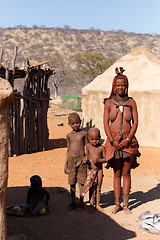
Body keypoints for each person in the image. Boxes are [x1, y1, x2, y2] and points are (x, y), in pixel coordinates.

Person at [103, 67, 141, 214]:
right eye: (118, 85)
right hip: (113, 142)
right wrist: (112, 141)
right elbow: (106, 123)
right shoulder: (109, 103)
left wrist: (128, 139)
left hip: (128, 142)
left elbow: (135, 122)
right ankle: (117, 203)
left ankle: (126, 205)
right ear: (114, 86)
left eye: (123, 85)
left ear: (127, 86)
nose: (120, 88)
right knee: (117, 172)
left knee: (126, 172)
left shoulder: (131, 102)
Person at [64, 112, 88, 210]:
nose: (75, 125)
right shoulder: (68, 136)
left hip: (82, 161)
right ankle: (73, 201)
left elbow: (87, 146)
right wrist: (65, 164)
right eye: (73, 123)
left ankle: (81, 202)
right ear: (69, 124)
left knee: (81, 182)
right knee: (72, 182)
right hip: (71, 161)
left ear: (80, 122)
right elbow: (68, 150)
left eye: (77, 122)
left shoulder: (84, 134)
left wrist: (87, 157)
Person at [82, 127, 106, 211]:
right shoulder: (88, 146)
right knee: (91, 187)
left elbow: (105, 159)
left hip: (99, 170)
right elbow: (87, 156)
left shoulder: (102, 148)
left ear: (100, 137)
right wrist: (85, 159)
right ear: (88, 138)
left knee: (98, 187)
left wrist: (99, 160)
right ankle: (91, 203)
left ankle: (98, 204)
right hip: (90, 170)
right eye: (92, 139)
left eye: (97, 139)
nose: (94, 141)